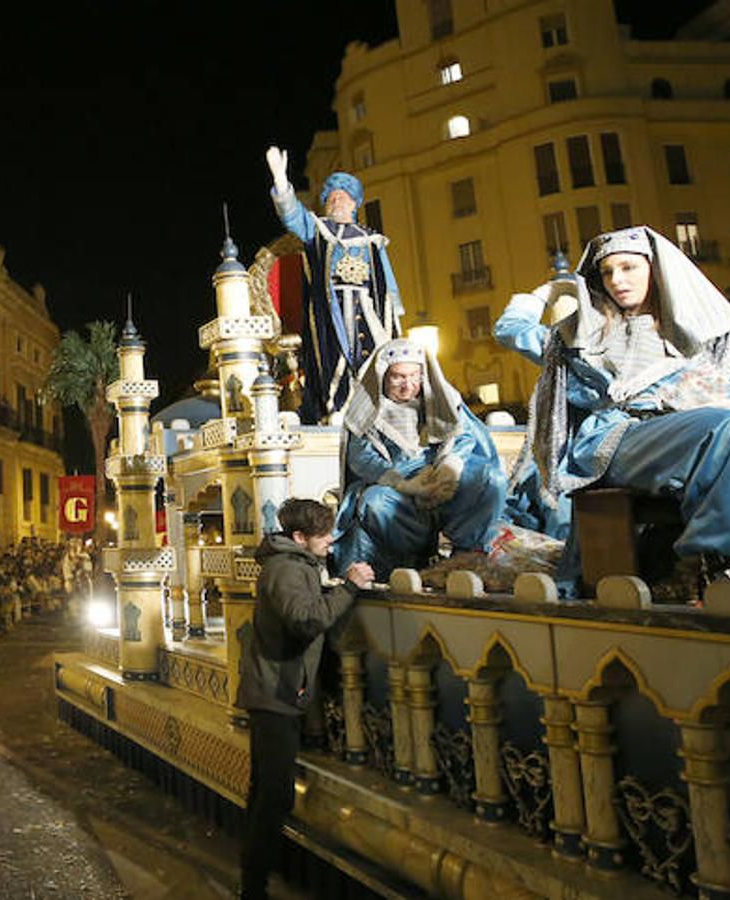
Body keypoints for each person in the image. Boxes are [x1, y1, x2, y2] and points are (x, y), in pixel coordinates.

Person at [496, 226, 730, 596]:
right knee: (726, 427)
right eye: (608, 272)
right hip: (620, 437)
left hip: (700, 422)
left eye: (628, 267)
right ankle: (712, 561)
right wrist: (549, 292)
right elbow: (510, 329)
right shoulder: (578, 334)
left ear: (655, 269)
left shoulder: (694, 328)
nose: (617, 280)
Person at [237, 499, 372, 900]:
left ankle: (253, 879)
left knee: (264, 790)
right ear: (300, 538)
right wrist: (350, 587)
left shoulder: (294, 565)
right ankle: (253, 887)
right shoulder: (287, 568)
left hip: (275, 690)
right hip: (274, 693)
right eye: (323, 535)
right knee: (273, 795)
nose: (331, 541)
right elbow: (306, 617)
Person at [331, 338, 508, 580]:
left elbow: (464, 436)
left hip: (441, 477)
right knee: (374, 503)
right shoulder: (367, 409)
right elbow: (361, 458)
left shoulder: (442, 399)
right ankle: (418, 555)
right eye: (398, 377)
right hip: (398, 486)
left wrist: (449, 467)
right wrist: (403, 484)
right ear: (384, 376)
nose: (408, 385)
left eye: (414, 376)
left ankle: (468, 550)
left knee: (491, 478)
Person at [265, 145, 403, 422]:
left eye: (343, 197)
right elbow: (292, 215)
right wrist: (281, 182)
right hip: (332, 311)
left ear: (355, 203)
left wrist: (396, 313)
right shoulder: (318, 229)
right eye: (332, 198)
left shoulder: (372, 239)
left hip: (370, 310)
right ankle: (336, 408)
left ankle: (382, 409)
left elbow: (386, 278)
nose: (337, 201)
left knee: (376, 358)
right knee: (334, 359)